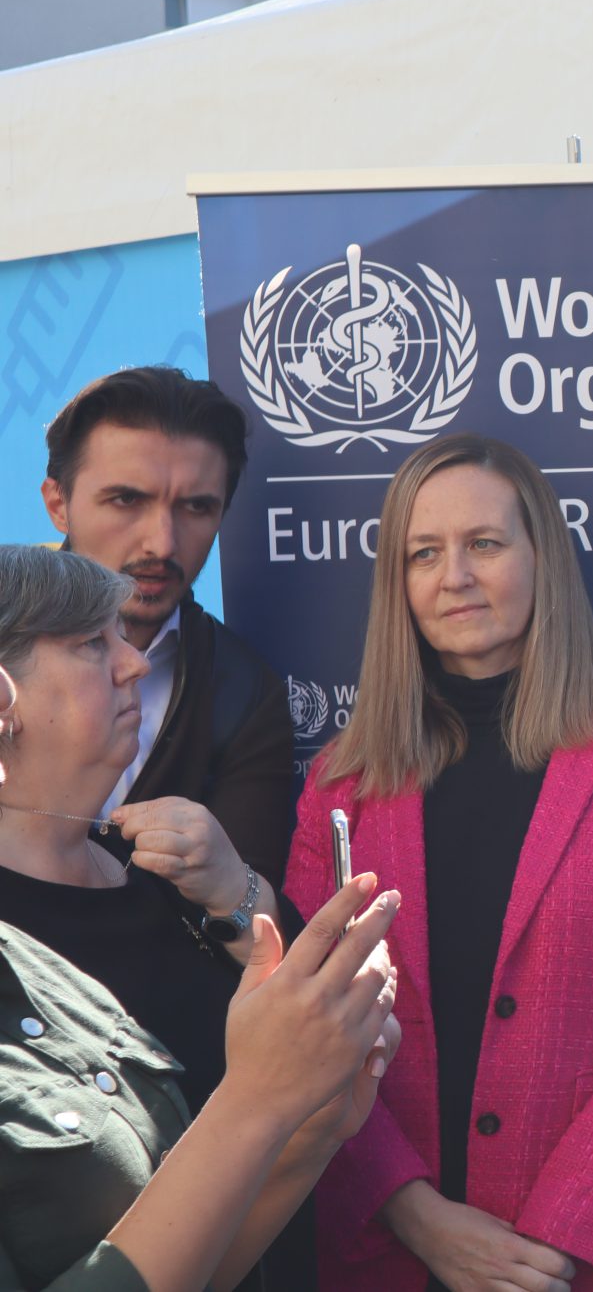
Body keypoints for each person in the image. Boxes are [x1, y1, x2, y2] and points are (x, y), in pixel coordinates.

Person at [284, 433, 593, 1292]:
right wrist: (416, 1215)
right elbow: (312, 1031)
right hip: (400, 1259)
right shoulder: (340, 788)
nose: (455, 575)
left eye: (485, 543)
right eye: (425, 553)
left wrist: (544, 1245)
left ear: (544, 559)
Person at [0, 550, 403, 1292]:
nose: (133, 663)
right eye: (90, 643)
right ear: (4, 699)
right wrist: (263, 1100)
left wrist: (314, 1125)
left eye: (122, 638)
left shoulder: (167, 872)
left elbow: (205, 1261)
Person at [42, 366, 296, 886]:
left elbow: (255, 923)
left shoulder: (245, 694)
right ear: (58, 504)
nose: (162, 542)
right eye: (127, 500)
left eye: (196, 507)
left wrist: (232, 886)